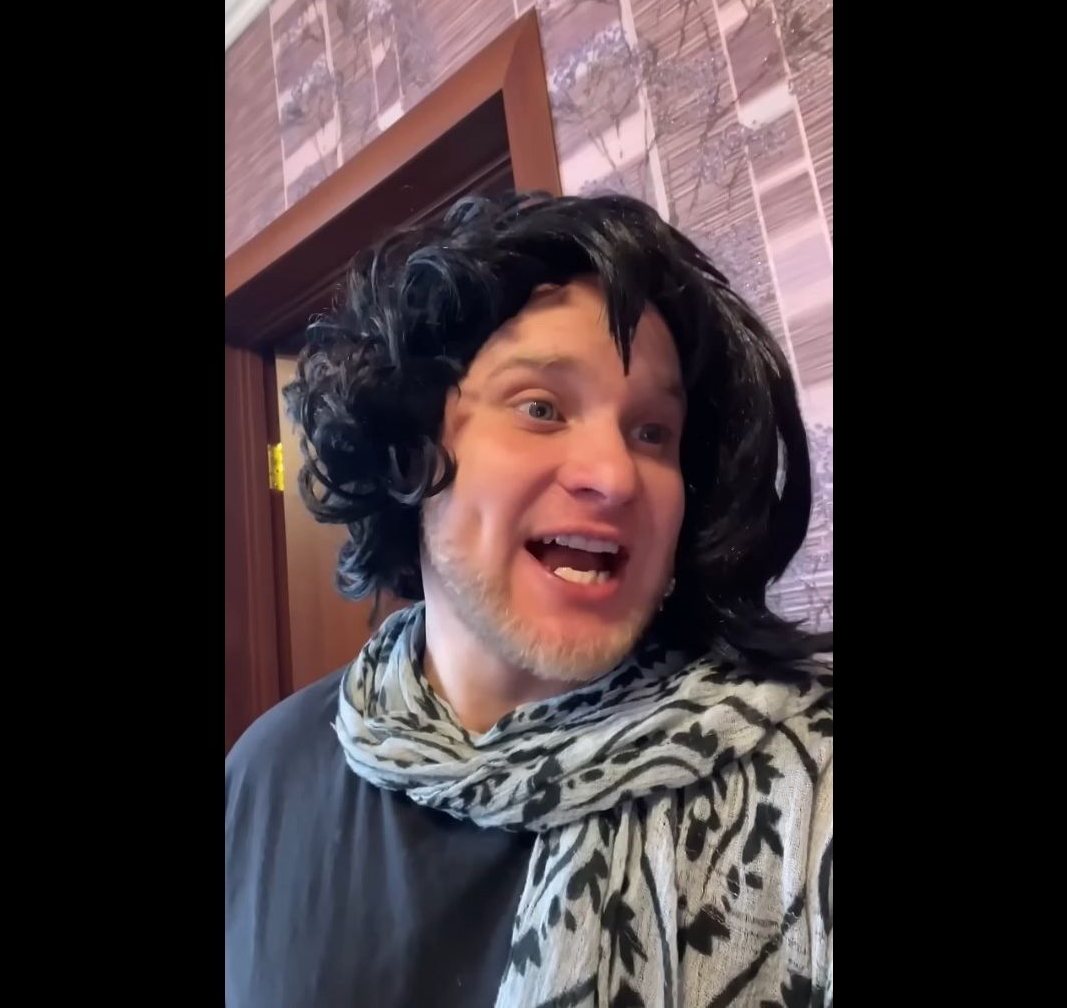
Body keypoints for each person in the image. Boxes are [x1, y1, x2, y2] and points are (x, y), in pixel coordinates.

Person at [225, 191, 832, 1008]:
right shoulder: (264, 775)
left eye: (652, 432)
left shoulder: (809, 773)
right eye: (541, 408)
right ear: (411, 452)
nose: (615, 476)